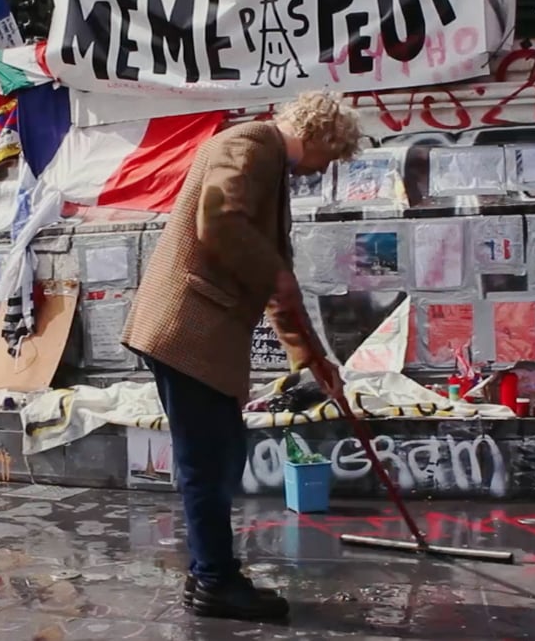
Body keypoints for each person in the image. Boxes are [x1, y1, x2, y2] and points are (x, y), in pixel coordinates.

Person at [121, 91, 362, 622]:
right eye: (329, 157)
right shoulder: (251, 143)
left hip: (199, 333)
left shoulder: (269, 162)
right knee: (209, 460)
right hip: (188, 328)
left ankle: (209, 573)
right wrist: (276, 273)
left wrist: (312, 362)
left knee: (219, 454)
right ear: (321, 137)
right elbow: (220, 221)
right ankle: (214, 582)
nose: (320, 171)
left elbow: (278, 286)